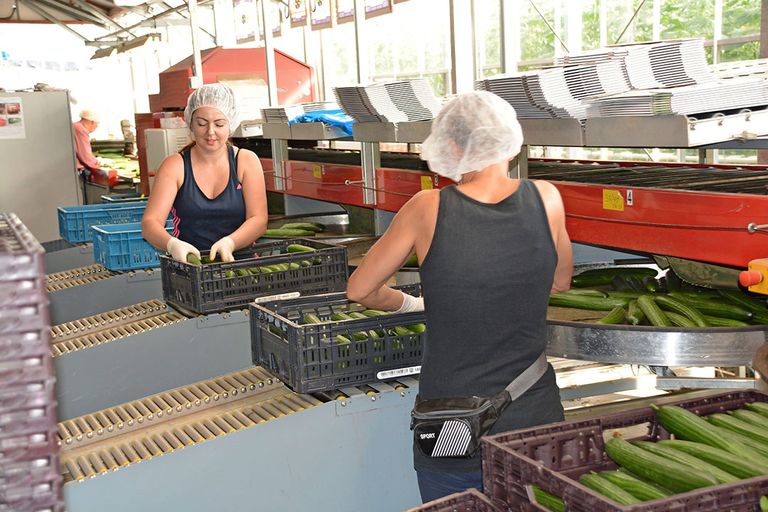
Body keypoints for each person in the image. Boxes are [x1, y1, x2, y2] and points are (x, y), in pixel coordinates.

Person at [346, 90, 573, 503]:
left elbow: (360, 289)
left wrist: (410, 303)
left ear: (451, 146)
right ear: (508, 140)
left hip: (453, 424)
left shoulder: (427, 207)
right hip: (535, 415)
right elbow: (560, 281)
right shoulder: (547, 198)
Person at [142, 83, 268, 263]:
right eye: (201, 123)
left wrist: (230, 243)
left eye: (219, 124)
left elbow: (259, 219)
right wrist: (172, 244)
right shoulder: (175, 166)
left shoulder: (246, 161)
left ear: (230, 124)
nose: (210, 132)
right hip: (190, 266)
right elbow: (150, 223)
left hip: (241, 265)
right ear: (190, 124)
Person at [72, 109, 104, 174]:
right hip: (76, 171)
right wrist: (96, 164)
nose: (97, 127)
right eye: (97, 124)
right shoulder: (80, 129)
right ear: (92, 122)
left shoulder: (76, 126)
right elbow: (84, 154)